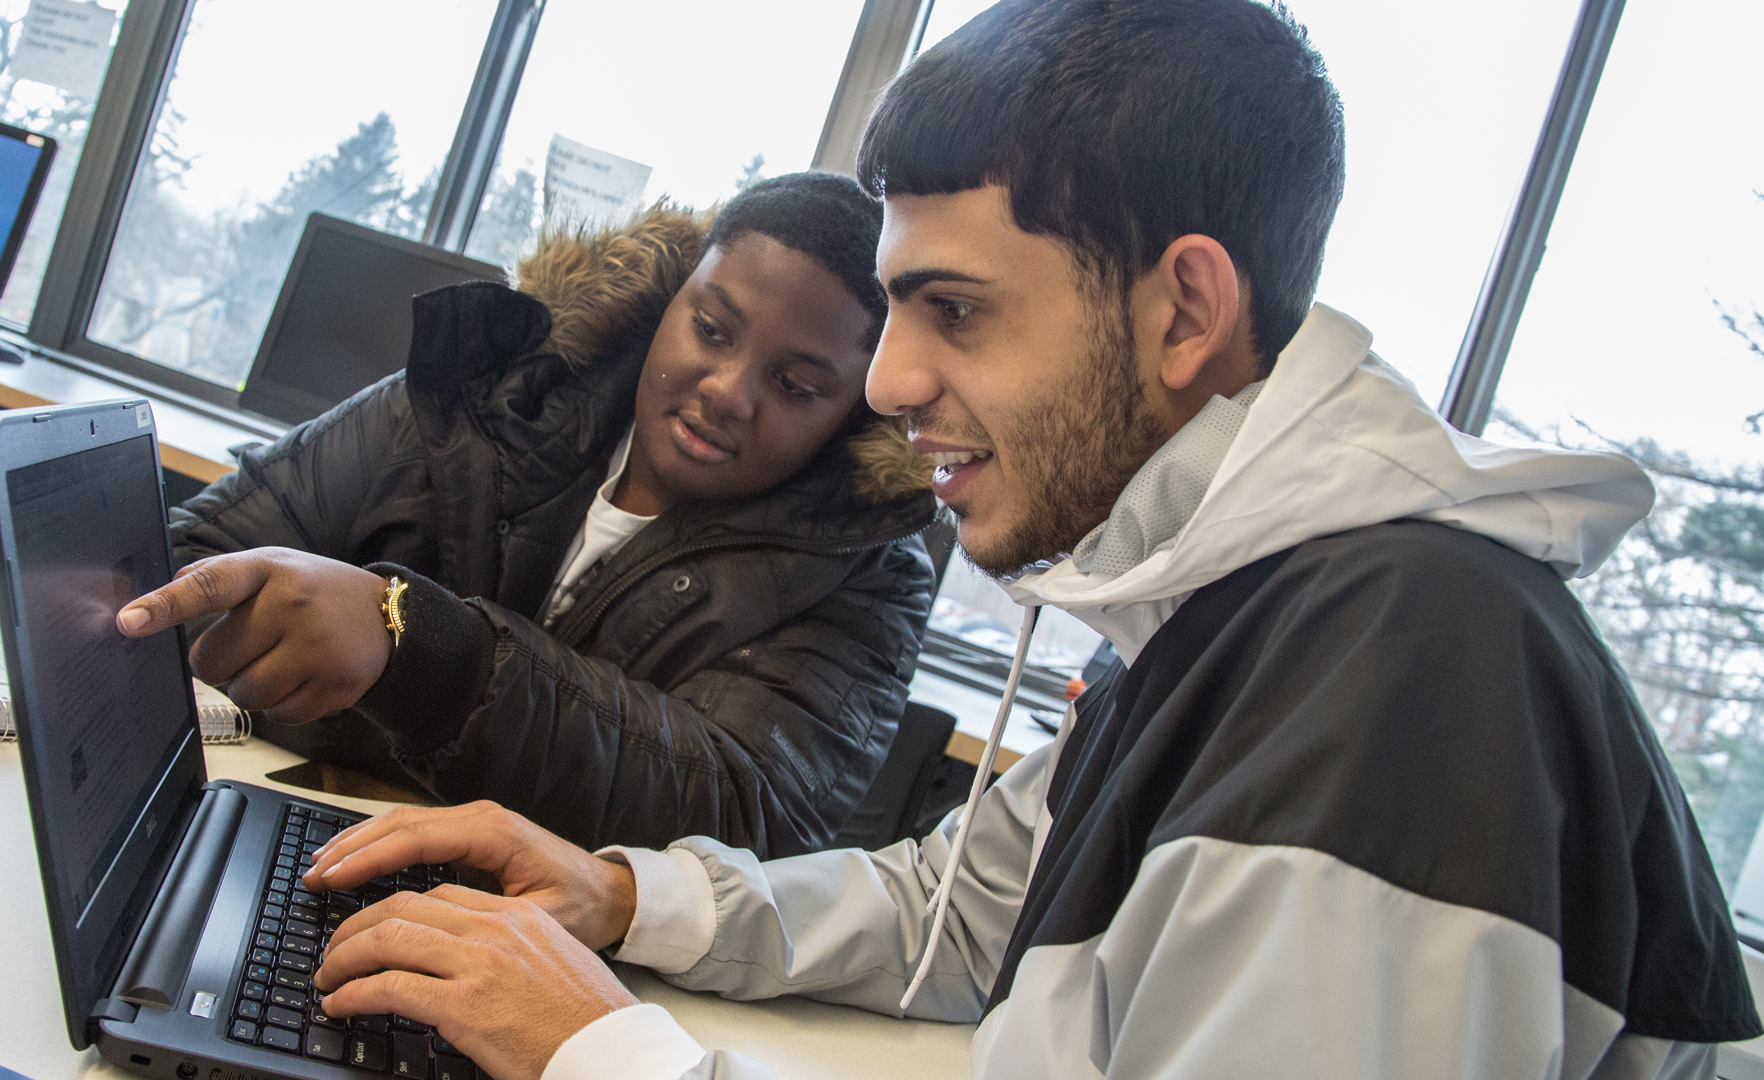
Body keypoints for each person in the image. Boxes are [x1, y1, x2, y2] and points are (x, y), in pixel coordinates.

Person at [262, 2, 1762, 1078]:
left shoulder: (1403, 671)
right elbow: (965, 903)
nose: (892, 383)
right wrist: (621, 894)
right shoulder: (1246, 598)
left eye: (956, 310)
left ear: (1185, 308)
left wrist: (606, 1057)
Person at [119, 173, 939, 858]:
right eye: (712, 328)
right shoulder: (484, 392)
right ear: (673, 297)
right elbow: (189, 572)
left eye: (796, 386)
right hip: (292, 849)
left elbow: (740, 826)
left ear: (857, 409)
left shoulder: (864, 572)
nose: (728, 389)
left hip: (542, 966)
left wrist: (414, 651)